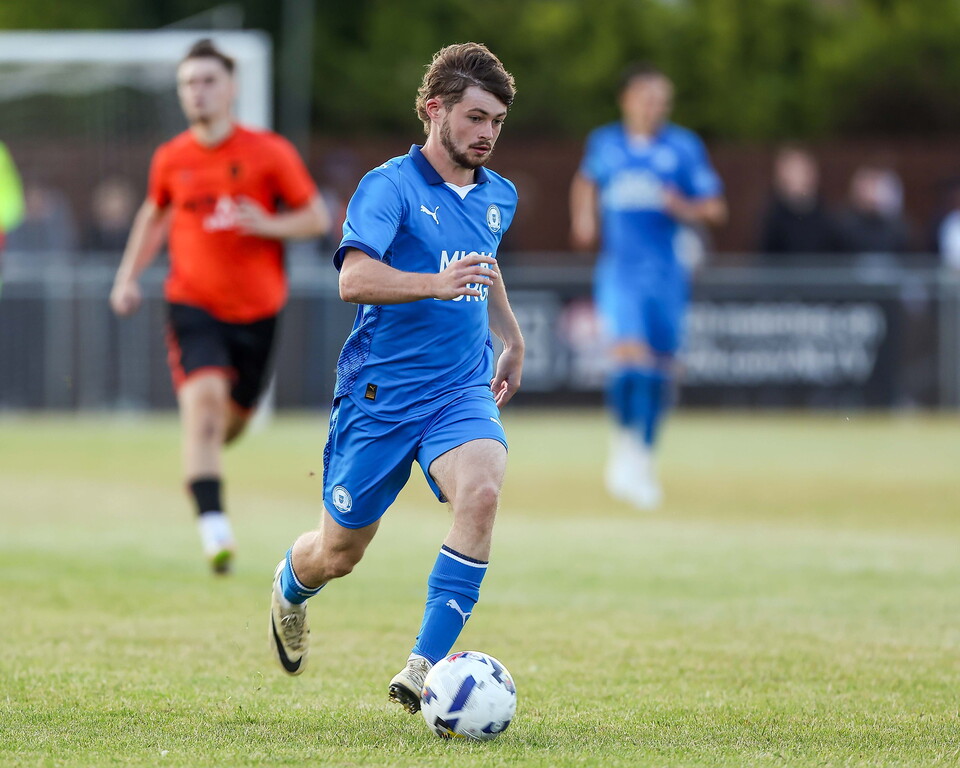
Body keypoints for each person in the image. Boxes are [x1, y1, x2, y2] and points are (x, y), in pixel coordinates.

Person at [268, 43, 524, 714]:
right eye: (474, 117)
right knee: (338, 552)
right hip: (379, 397)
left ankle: (425, 670)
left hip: (458, 390)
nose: (487, 133)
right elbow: (353, 278)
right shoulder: (389, 186)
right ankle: (292, 588)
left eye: (497, 121)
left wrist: (511, 335)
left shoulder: (501, 195)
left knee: (482, 491)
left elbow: (483, 268)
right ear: (435, 110)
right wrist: (434, 284)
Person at [110, 39, 329, 573]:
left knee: (227, 425)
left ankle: (205, 453)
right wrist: (127, 277)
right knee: (203, 409)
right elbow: (153, 214)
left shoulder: (269, 152)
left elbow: (318, 219)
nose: (198, 92)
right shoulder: (172, 157)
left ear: (231, 88)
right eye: (189, 83)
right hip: (193, 304)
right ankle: (215, 530)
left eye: (208, 81)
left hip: (257, 312)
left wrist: (268, 224)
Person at [569, 62, 726, 509]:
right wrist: (584, 217)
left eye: (662, 100)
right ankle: (623, 447)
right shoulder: (606, 143)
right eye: (648, 97)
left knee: (661, 372)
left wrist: (685, 207)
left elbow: (716, 209)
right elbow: (586, 180)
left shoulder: (682, 147)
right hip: (621, 271)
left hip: (668, 274)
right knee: (628, 358)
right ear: (628, 99)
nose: (655, 107)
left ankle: (644, 459)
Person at [758, 145, 837, 258]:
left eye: (803, 171)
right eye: (793, 171)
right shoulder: (771, 217)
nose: (799, 177)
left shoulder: (826, 216)